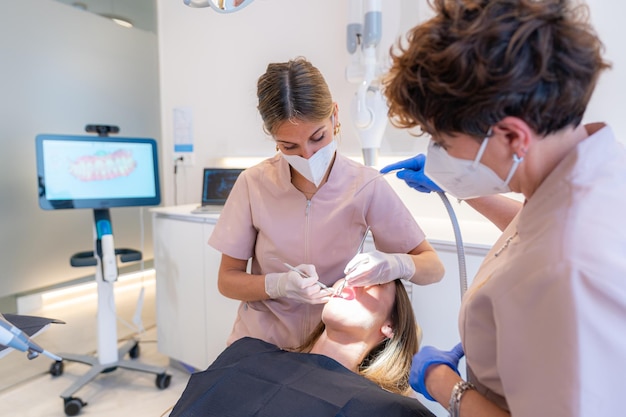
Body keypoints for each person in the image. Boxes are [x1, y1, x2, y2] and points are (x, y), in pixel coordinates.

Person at [380, 0, 626, 416]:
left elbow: (553, 254)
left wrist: (445, 384)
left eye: (441, 139)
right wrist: (470, 190)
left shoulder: (567, 271)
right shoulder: (592, 171)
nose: (437, 152)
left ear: (513, 137)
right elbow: (538, 229)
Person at [208, 57, 444, 349]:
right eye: (289, 146)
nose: (307, 154)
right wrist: (278, 284)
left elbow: (433, 267)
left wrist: (395, 263)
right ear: (273, 139)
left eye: (317, 137)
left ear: (334, 116)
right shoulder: (253, 184)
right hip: (261, 343)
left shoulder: (366, 185)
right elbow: (227, 280)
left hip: (330, 348)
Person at [169, 279, 435, 417]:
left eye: (374, 281)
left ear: (391, 326)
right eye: (350, 275)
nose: (350, 283)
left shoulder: (389, 408)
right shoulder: (248, 352)